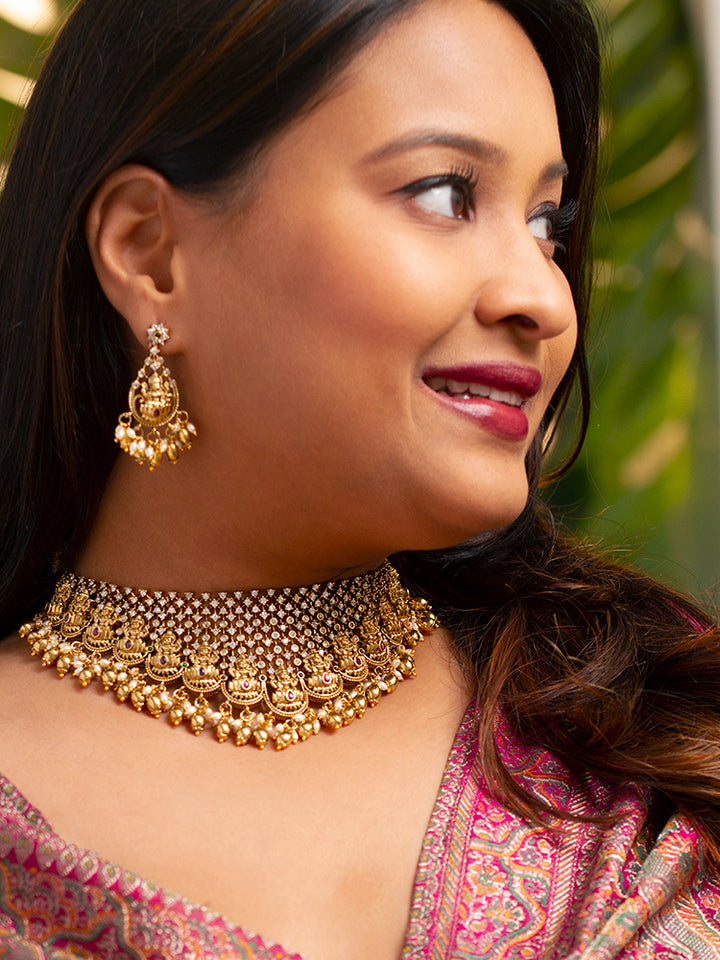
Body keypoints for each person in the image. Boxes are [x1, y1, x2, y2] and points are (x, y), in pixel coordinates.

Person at [0, 0, 719, 957]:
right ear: (151, 252)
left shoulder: (654, 725)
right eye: (443, 194)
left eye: (549, 221)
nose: (545, 297)